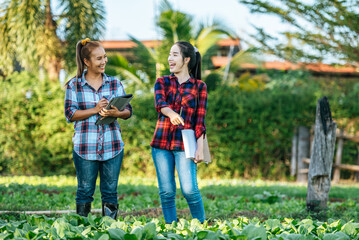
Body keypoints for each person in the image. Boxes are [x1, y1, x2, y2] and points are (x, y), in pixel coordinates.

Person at [64, 38, 132, 219]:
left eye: (105, 57)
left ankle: (109, 230)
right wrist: (95, 109)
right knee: (85, 190)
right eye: (99, 58)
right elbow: (70, 114)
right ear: (86, 61)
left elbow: (128, 112)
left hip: (113, 146)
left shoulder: (114, 84)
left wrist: (116, 113)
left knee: (110, 191)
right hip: (85, 147)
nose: (104, 61)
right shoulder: (74, 85)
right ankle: (81, 229)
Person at [150, 41, 207, 223]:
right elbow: (160, 104)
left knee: (190, 189)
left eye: (175, 54)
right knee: (166, 191)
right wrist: (172, 113)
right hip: (161, 144)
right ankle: (171, 229)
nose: (170, 58)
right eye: (169, 54)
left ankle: (201, 226)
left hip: (185, 146)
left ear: (187, 59)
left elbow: (200, 121)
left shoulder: (200, 87)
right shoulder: (162, 82)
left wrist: (200, 148)